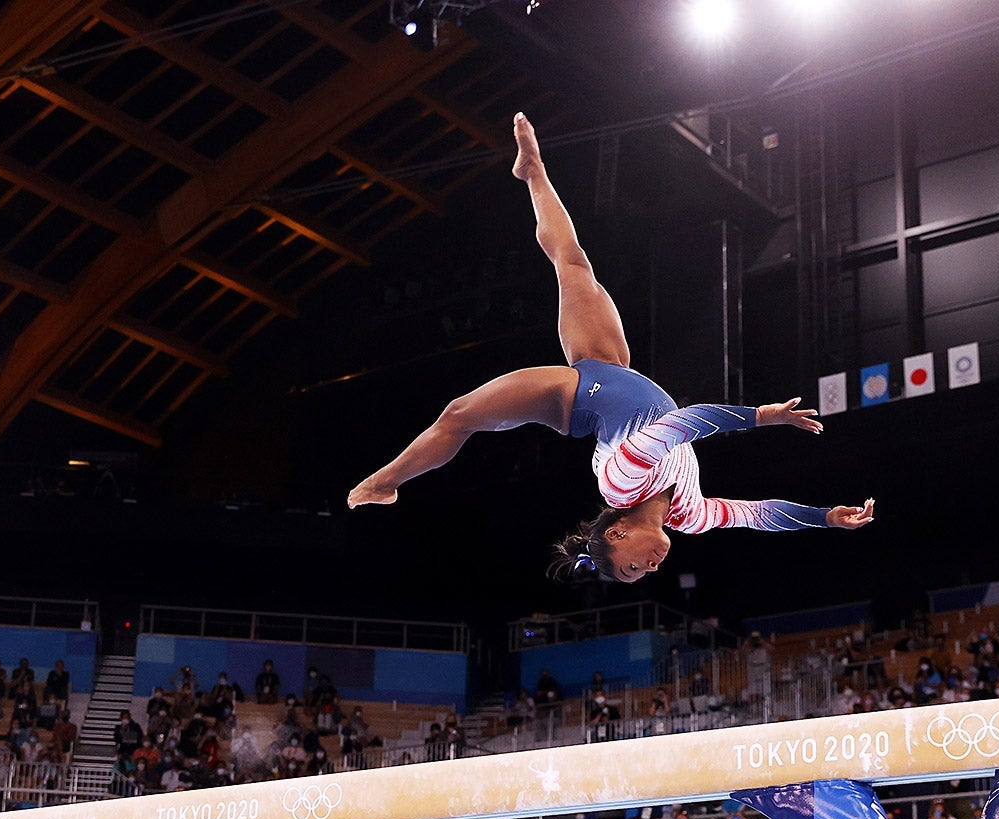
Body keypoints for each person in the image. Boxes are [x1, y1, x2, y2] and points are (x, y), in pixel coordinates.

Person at [347, 113, 875, 580]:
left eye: (632, 567)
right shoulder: (688, 515)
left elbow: (687, 423)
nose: (649, 568)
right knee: (573, 262)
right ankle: (533, 173)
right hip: (610, 367)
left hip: (574, 395)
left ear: (618, 535)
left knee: (459, 414)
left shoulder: (622, 484)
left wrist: (762, 417)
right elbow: (757, 515)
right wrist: (824, 517)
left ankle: (384, 481)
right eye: (643, 575)